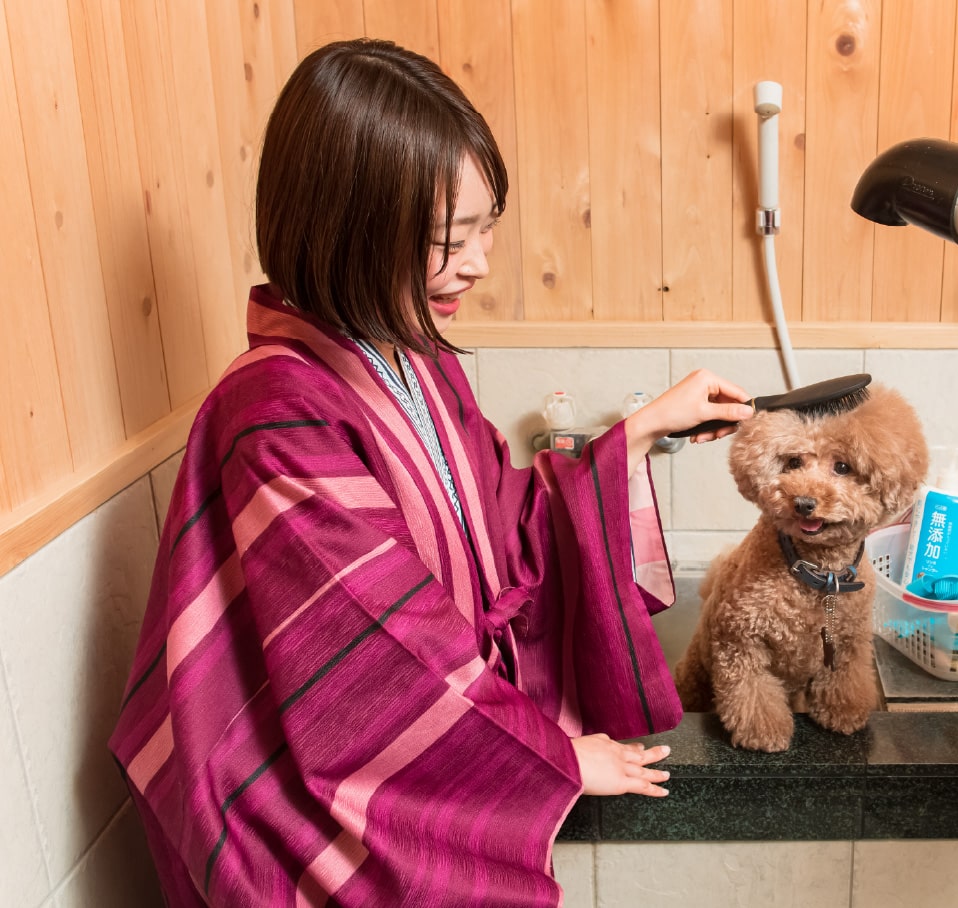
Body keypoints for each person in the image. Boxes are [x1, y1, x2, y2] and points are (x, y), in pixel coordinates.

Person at [108, 38, 753, 907]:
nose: (480, 262)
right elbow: (383, 657)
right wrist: (552, 756)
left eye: (486, 228)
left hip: (419, 736)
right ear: (346, 231)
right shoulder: (274, 413)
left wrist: (636, 434)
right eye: (449, 239)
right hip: (305, 822)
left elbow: (501, 524)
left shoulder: (411, 359)